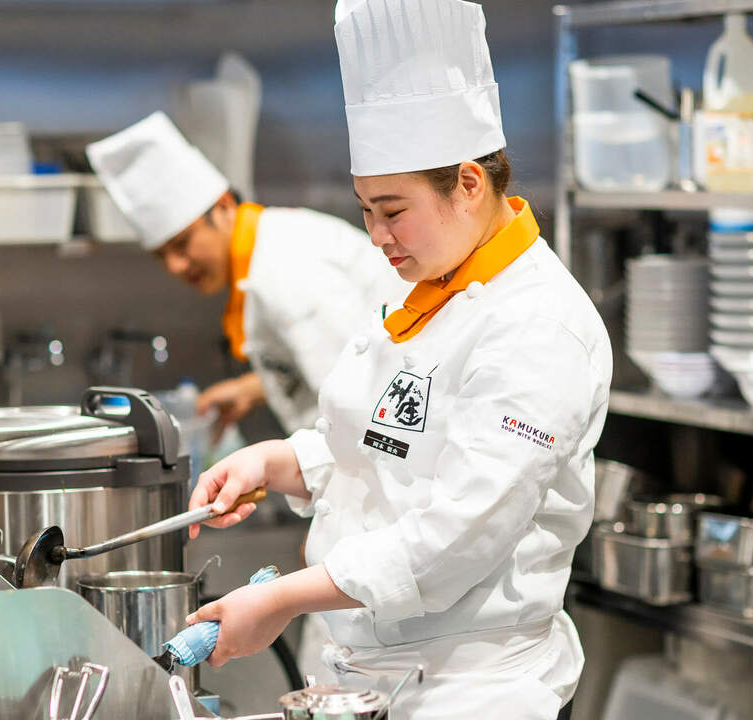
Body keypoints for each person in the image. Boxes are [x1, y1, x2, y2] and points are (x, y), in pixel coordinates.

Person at [182, 1, 612, 717]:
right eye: (364, 210)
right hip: (370, 673)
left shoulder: (539, 326)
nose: (376, 235)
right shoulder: (424, 289)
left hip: (473, 691)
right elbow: (382, 449)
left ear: (470, 184)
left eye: (393, 209)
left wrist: (283, 600)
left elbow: (458, 537)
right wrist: (275, 461)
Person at [87, 112, 407, 438]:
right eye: (161, 256)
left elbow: (359, 403)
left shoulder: (286, 270)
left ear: (223, 206)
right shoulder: (268, 247)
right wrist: (253, 388)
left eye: (182, 244)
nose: (175, 266)